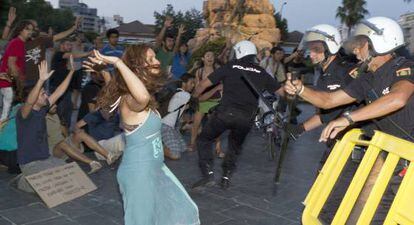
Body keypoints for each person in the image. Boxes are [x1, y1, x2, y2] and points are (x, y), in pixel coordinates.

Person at [285, 17, 414, 224]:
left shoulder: (404, 67)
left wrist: (348, 118)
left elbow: (398, 98)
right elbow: (329, 101)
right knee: (362, 211)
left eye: (360, 44)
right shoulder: (368, 77)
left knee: (380, 214)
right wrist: (301, 89)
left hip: (406, 153)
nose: (355, 50)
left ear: (378, 44)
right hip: (387, 153)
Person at [92, 46, 200, 224]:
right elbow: (141, 98)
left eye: (155, 57)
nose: (157, 62)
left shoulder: (143, 94)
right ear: (136, 67)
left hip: (155, 170)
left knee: (182, 211)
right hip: (139, 173)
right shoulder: (130, 99)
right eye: (151, 59)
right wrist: (118, 62)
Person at [192, 40, 284, 189]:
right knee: (235, 146)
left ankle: (207, 174)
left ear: (239, 52)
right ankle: (226, 176)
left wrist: (193, 97)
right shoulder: (261, 72)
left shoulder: (230, 66)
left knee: (204, 139)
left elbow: (203, 85)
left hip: (224, 114)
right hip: (246, 118)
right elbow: (282, 92)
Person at [287, 24, 358, 141]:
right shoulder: (325, 74)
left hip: (352, 137)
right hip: (339, 137)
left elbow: (327, 102)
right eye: (310, 50)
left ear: (331, 48)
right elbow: (326, 114)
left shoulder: (345, 72)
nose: (311, 54)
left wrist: (300, 90)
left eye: (316, 49)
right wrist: (300, 129)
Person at [15, 60, 73, 193]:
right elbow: (29, 102)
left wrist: (72, 72)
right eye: (42, 94)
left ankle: (32, 180)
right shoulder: (23, 114)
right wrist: (40, 81)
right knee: (52, 183)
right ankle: (23, 181)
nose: (46, 95)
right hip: (30, 164)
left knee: (68, 172)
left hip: (46, 159)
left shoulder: (42, 109)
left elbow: (59, 92)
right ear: (34, 97)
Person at [25, 17, 82, 88]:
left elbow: (58, 36)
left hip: (40, 79)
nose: (36, 29)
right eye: (33, 27)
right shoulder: (19, 42)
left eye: (36, 27)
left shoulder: (41, 41)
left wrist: (73, 28)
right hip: (25, 80)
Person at [50, 39, 90, 136]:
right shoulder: (59, 54)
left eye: (70, 45)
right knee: (60, 110)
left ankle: (65, 131)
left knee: (67, 109)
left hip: (64, 87)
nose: (70, 47)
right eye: (68, 45)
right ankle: (60, 132)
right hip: (57, 87)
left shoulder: (63, 56)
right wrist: (88, 53)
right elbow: (73, 55)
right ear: (62, 45)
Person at [189, 51, 223, 157]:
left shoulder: (218, 71)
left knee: (215, 125)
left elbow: (222, 87)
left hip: (215, 101)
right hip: (202, 101)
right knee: (196, 123)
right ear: (203, 59)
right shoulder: (199, 72)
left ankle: (218, 148)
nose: (210, 57)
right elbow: (197, 88)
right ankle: (192, 143)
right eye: (207, 55)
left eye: (212, 55)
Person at [0, 20, 34, 125]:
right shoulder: (17, 43)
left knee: (9, 112)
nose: (30, 32)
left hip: (11, 82)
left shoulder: (21, 43)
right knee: (6, 113)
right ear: (20, 30)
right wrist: (20, 84)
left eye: (31, 30)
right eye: (27, 29)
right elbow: (11, 64)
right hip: (9, 83)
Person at [161, 73, 196, 160]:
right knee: (175, 155)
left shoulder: (178, 93)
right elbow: (198, 100)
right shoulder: (183, 95)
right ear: (184, 83)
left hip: (172, 127)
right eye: (191, 83)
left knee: (183, 148)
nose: (193, 85)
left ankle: (164, 142)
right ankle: (157, 148)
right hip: (165, 126)